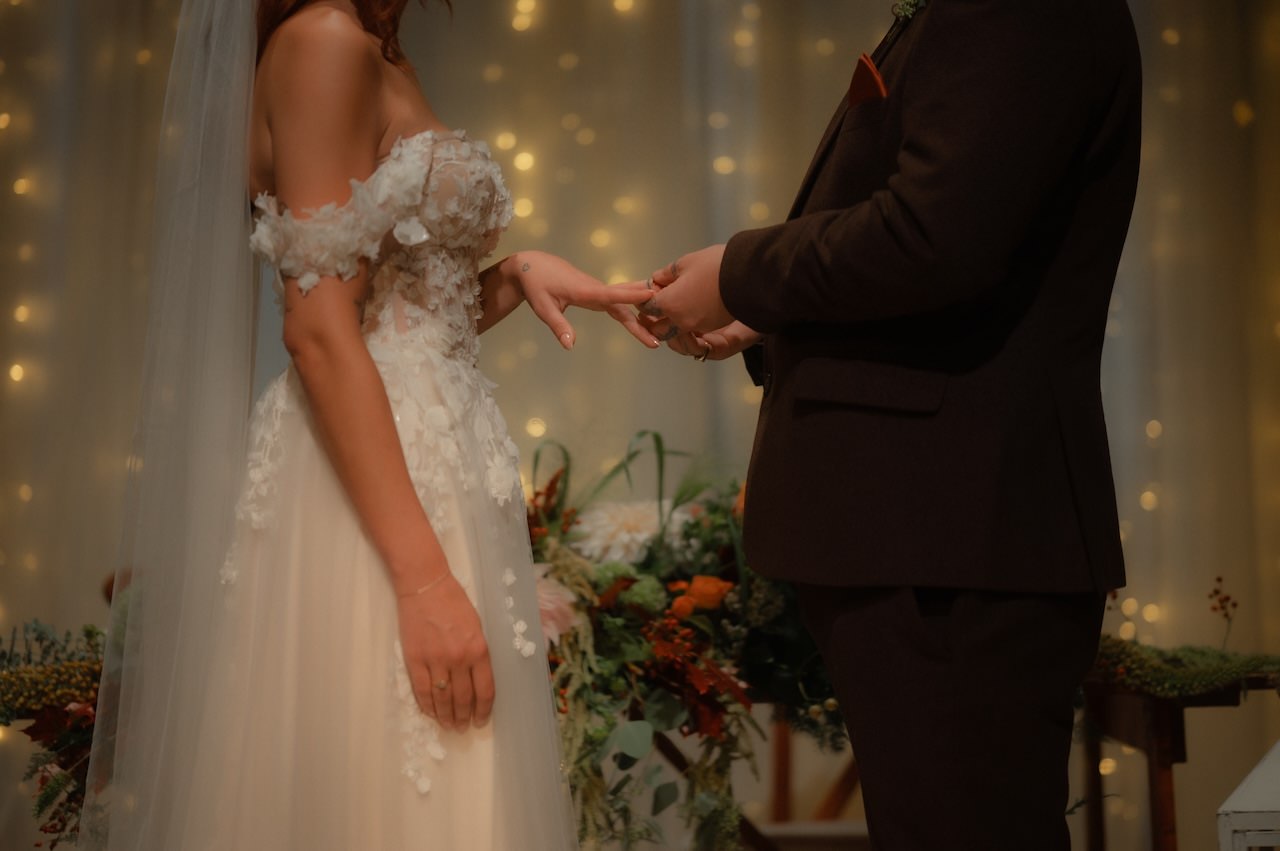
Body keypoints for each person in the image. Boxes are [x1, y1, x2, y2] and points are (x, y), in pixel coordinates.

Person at [83, 1, 652, 848]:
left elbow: (398, 319)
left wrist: (516, 274)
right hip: (380, 491)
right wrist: (422, 580)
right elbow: (317, 330)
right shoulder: (323, 42)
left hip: (427, 463)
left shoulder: (372, 47)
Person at [631, 1, 1141, 847]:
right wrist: (770, 318)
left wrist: (742, 272)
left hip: (954, 525)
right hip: (933, 522)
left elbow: (933, 234)